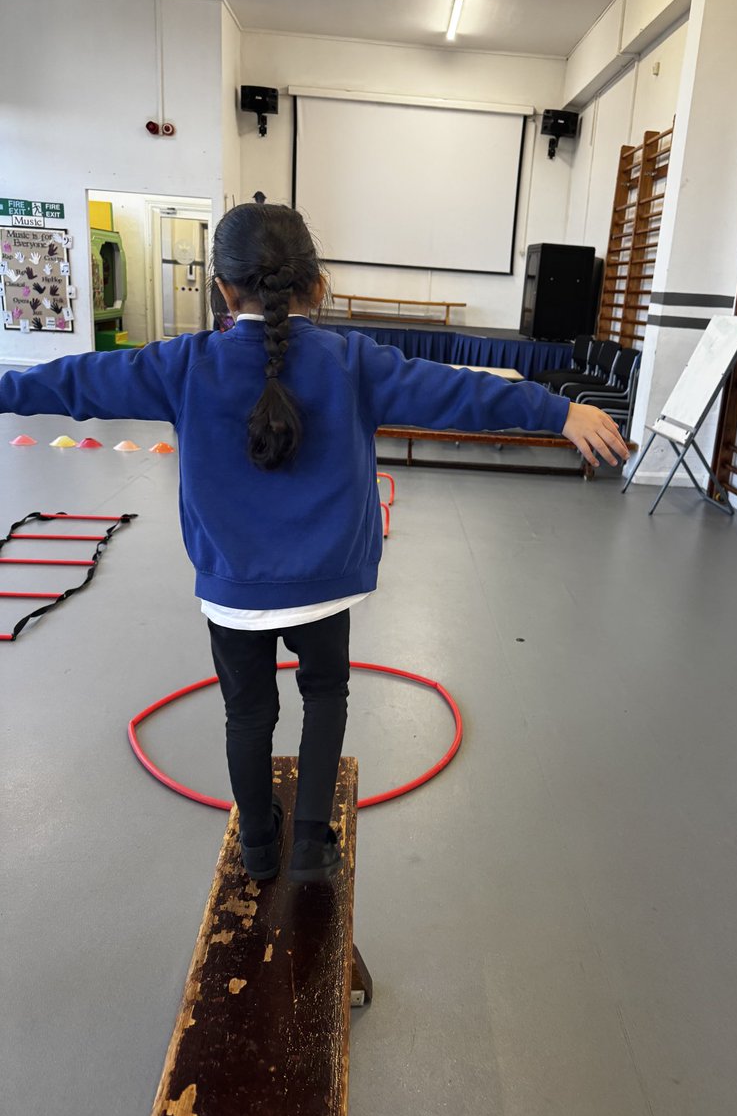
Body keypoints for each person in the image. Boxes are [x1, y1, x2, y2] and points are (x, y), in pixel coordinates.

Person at [0, 202, 630, 883]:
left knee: (247, 713)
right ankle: (310, 845)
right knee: (325, 695)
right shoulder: (355, 361)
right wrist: (559, 408)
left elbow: (69, 381)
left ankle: (258, 851)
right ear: (318, 285)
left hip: (232, 591)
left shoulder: (182, 364)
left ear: (222, 289)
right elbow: (457, 392)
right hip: (326, 584)